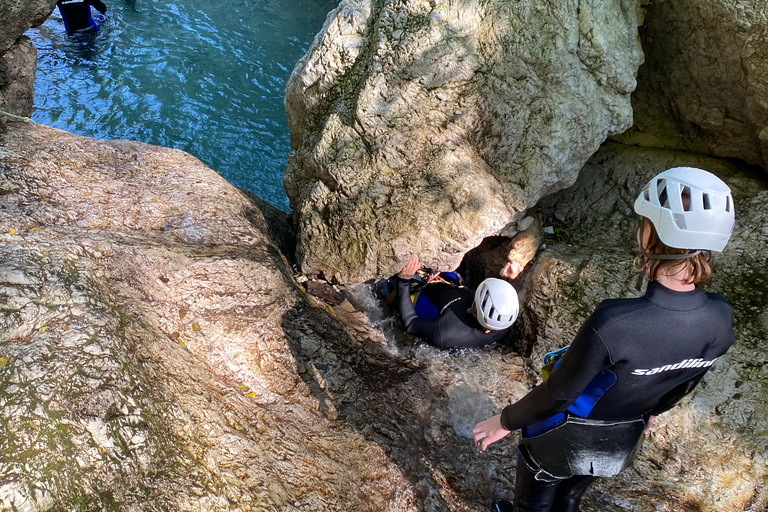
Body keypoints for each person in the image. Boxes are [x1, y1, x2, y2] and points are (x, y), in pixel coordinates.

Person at [472, 167, 736, 512]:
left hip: (562, 436)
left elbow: (558, 395)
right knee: (570, 496)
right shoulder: (721, 316)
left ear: (651, 234)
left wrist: (503, 421)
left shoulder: (616, 320)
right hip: (623, 441)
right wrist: (653, 410)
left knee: (534, 501)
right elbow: (684, 383)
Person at [394, 257, 522, 350]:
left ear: (476, 309)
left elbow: (410, 324)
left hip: (424, 300)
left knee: (392, 280)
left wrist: (404, 281)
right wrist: (503, 277)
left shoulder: (446, 333)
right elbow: (495, 302)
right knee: (457, 265)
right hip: (450, 287)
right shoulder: (503, 322)